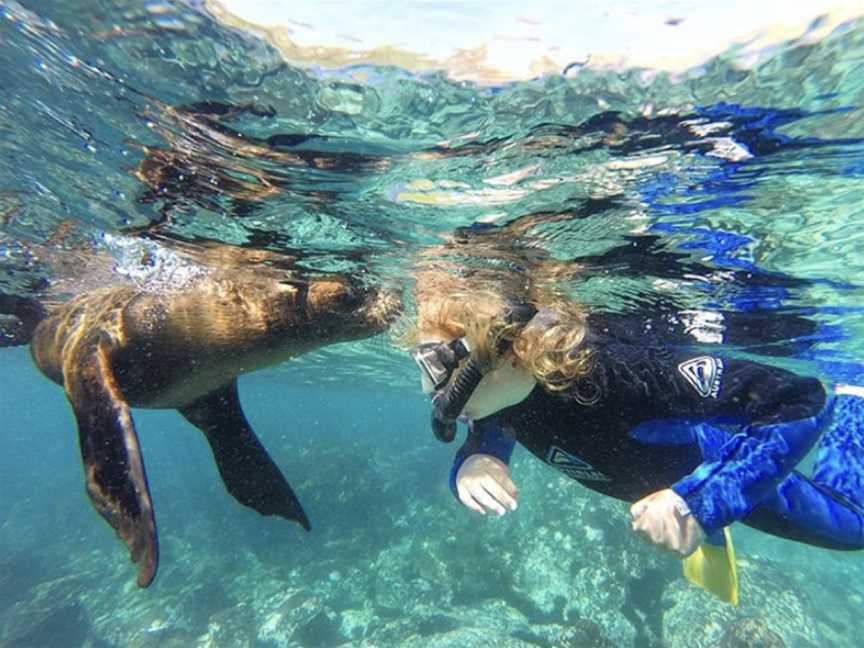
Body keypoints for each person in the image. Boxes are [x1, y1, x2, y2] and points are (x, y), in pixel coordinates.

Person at [404, 275, 864, 604]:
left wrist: (701, 501)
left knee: (854, 525)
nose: (436, 396)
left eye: (447, 372)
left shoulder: (622, 374)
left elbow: (799, 401)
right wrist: (478, 457)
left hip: (714, 462)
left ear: (512, 351)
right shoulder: (498, 395)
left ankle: (856, 394)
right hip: (658, 482)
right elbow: (493, 420)